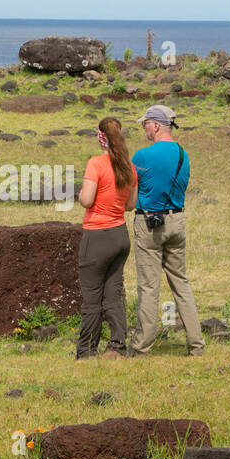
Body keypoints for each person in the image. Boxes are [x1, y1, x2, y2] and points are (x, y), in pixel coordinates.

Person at [128, 104, 204, 357]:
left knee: (149, 287)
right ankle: (196, 344)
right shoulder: (184, 154)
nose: (144, 129)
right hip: (177, 220)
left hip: (149, 223)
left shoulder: (142, 156)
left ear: (156, 125)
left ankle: (142, 346)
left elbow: (131, 189)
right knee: (181, 283)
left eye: (145, 124)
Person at [75, 116, 137, 359]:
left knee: (91, 297)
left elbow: (87, 200)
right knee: (113, 294)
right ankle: (117, 347)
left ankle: (86, 350)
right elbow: (130, 205)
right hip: (120, 235)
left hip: (97, 235)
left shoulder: (96, 164)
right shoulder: (129, 167)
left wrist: (81, 193)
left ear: (100, 138)